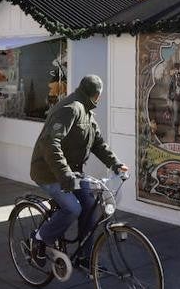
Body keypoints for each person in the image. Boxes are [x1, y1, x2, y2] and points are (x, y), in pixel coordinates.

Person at [29, 75, 127, 262]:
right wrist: (64, 174)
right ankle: (40, 238)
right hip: (49, 173)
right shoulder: (70, 108)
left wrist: (116, 164)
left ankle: (85, 256)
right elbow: (50, 144)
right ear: (97, 94)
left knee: (90, 206)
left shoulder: (87, 111)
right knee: (73, 208)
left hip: (71, 173)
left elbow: (98, 144)